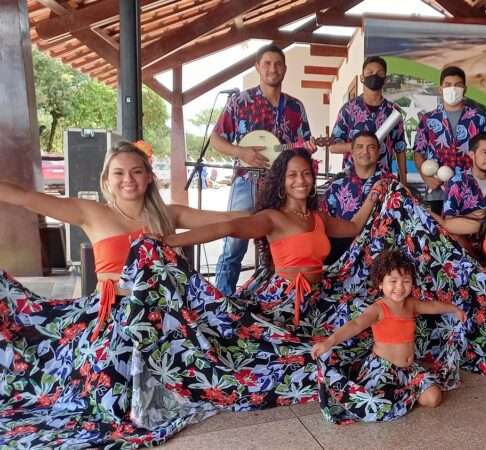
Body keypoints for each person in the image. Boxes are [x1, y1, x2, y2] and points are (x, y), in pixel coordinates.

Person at [0, 141, 249, 447]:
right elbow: (26, 197)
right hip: (111, 319)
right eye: (118, 173)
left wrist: (273, 209)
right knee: (107, 400)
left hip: (160, 319)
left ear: (148, 177)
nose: (128, 179)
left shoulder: (168, 214)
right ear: (107, 179)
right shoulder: (90, 212)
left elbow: (231, 221)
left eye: (136, 171)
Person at [155, 149, 382, 326]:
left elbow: (353, 227)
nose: (300, 180)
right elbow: (227, 228)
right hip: (283, 300)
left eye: (305, 174)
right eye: (291, 175)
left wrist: (374, 195)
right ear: (281, 182)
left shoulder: (318, 218)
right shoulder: (272, 218)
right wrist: (168, 242)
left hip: (316, 298)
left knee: (366, 315)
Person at [311, 248, 466, 422]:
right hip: (383, 369)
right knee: (379, 404)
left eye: (405, 281)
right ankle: (400, 396)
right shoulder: (378, 309)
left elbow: (432, 307)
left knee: (433, 398)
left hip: (408, 369)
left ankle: (405, 394)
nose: (399, 287)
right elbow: (355, 324)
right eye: (393, 281)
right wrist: (328, 343)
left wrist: (454, 309)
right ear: (380, 283)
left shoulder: (411, 304)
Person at [210, 43, 317, 295]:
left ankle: (271, 299)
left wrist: (309, 148)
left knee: (279, 244)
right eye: (267, 64)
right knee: (234, 242)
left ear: (285, 69)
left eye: (278, 64)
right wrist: (241, 152)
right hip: (246, 182)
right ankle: (222, 302)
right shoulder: (240, 101)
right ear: (257, 67)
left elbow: (303, 144)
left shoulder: (295, 107)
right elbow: (216, 140)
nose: (273, 69)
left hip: (283, 187)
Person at [414, 66, 486, 214]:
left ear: (465, 89)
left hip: (471, 188)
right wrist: (426, 178)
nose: (453, 89)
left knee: (470, 232)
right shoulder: (429, 119)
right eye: (448, 85)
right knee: (442, 234)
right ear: (440, 89)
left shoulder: (478, 117)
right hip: (438, 191)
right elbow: (418, 152)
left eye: (458, 85)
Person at [329, 56, 408, 185]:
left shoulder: (392, 112)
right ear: (362, 77)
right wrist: (361, 147)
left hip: (383, 181)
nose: (374, 76)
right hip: (352, 180)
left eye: (379, 73)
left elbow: (400, 148)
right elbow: (333, 147)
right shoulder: (348, 110)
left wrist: (404, 181)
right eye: (370, 73)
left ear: (385, 79)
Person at [321, 130, 396, 264]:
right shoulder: (337, 186)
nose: (365, 152)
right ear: (352, 152)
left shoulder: (391, 185)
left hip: (378, 256)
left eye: (371, 147)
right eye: (359, 147)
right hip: (341, 257)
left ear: (378, 152)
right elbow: (324, 224)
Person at [441, 131, 486, 256]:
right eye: (485, 152)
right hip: (464, 256)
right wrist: (473, 259)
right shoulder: (457, 183)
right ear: (472, 154)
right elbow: (451, 227)